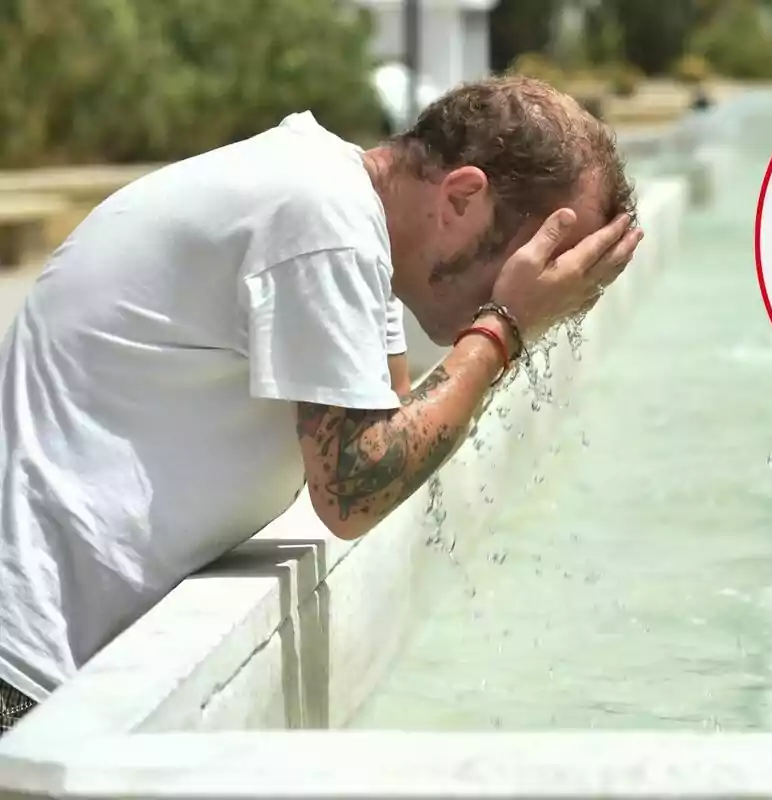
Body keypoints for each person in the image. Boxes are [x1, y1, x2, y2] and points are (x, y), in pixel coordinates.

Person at [0, 76, 642, 735]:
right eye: (539, 257)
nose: (538, 282)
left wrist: (502, 327)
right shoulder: (321, 217)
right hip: (20, 681)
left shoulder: (345, 212)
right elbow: (355, 487)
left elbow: (400, 428)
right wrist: (506, 325)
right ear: (462, 196)